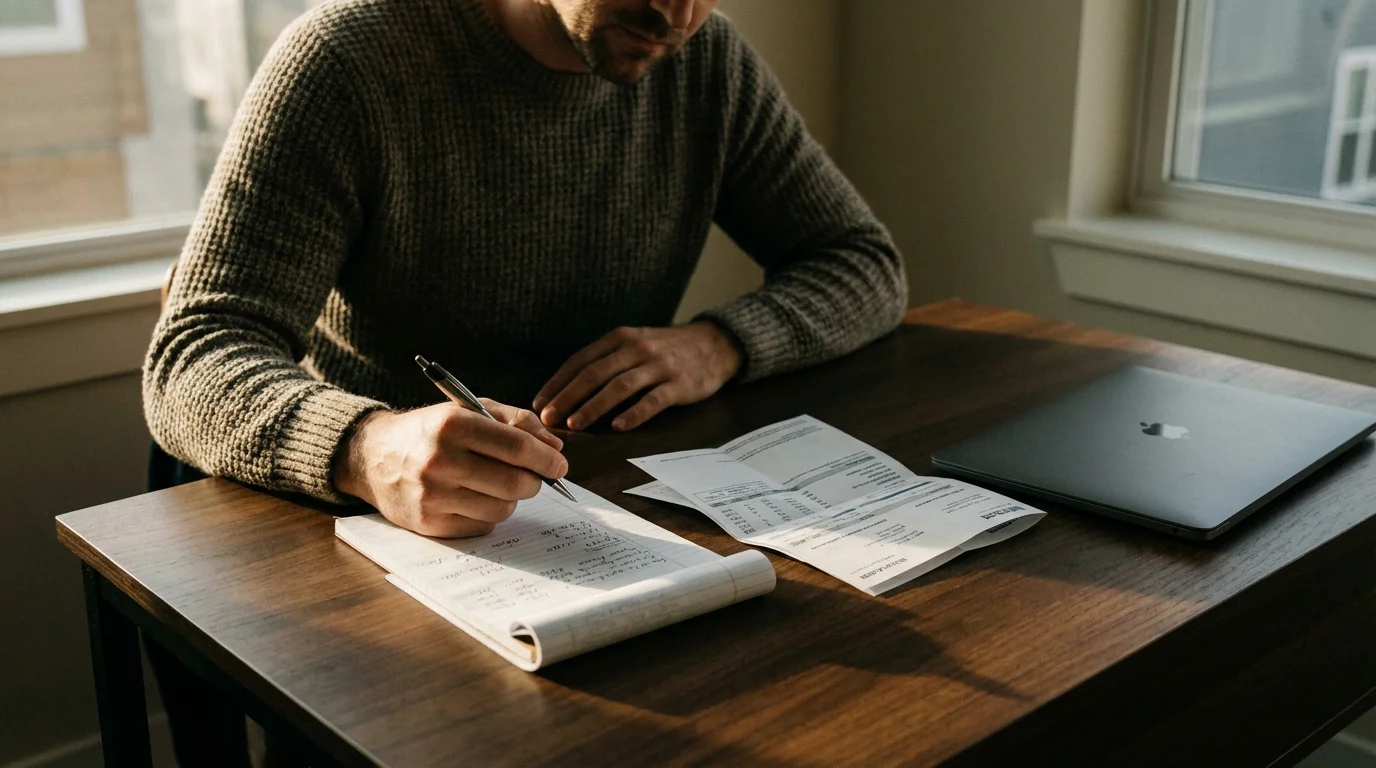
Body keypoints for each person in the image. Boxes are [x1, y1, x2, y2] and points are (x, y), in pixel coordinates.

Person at [146, 0, 906, 539]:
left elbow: (863, 263)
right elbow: (190, 359)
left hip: (600, 510)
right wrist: (367, 446)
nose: (675, 17)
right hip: (363, 528)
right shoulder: (348, 61)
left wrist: (718, 344)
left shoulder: (709, 64)